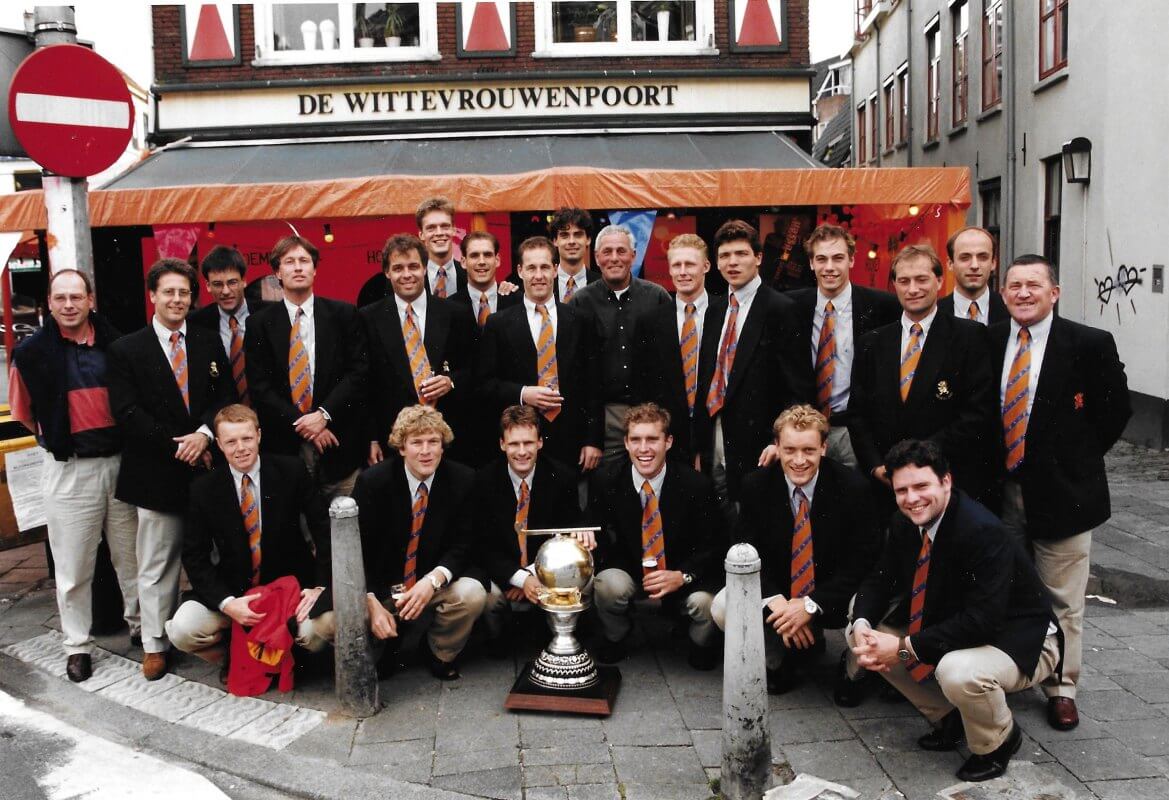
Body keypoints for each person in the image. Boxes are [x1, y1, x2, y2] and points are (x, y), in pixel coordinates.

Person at [848, 439, 1060, 783]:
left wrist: (903, 647)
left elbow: (984, 621)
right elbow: (879, 579)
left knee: (958, 671)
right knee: (866, 636)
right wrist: (861, 623)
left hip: (1023, 640)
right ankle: (952, 717)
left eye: (921, 486)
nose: (912, 498)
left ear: (946, 481)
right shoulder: (905, 522)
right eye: (902, 490)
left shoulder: (981, 531)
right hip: (960, 624)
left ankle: (998, 740)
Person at [991, 254, 1131, 731]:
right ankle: (1012, 672)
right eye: (1014, 285)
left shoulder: (1088, 344)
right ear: (1003, 293)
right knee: (1005, 585)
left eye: (1034, 284)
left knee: (1063, 597)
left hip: (1064, 492)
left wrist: (1077, 460)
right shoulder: (990, 340)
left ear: (1055, 292)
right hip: (1001, 490)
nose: (1024, 293)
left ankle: (1061, 687)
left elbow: (1114, 412)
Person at [8, 269, 140, 682]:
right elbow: (24, 414)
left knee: (132, 557)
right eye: (61, 297)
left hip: (119, 464)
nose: (69, 304)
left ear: (90, 300)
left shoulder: (117, 345)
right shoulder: (30, 354)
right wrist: (61, 437)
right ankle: (77, 646)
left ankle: (142, 629)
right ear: (50, 302)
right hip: (69, 471)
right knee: (72, 568)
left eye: (76, 297)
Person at [107, 258, 234, 679]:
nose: (177, 299)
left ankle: (218, 633)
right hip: (156, 472)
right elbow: (127, 411)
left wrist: (204, 434)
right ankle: (154, 644)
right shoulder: (127, 349)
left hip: (207, 468)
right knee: (157, 562)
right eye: (169, 292)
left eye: (183, 293)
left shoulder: (207, 340)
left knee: (214, 556)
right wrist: (178, 445)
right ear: (153, 296)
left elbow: (224, 397)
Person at [713, 405, 879, 699]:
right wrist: (779, 604)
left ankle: (853, 673)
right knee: (725, 603)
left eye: (809, 450)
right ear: (776, 446)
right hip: (783, 593)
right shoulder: (756, 486)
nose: (799, 460)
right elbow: (743, 551)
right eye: (789, 450)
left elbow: (862, 562)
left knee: (866, 602)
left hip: (831, 595)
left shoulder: (854, 488)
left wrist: (811, 605)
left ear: (824, 448)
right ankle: (778, 659)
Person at [166, 404, 334, 663]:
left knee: (313, 635)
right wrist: (227, 603)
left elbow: (323, 529)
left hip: (289, 590)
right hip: (236, 594)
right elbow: (194, 556)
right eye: (231, 441)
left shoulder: (291, 470)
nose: (241, 448)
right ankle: (240, 659)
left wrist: (320, 587)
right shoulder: (204, 488)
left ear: (259, 435)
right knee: (183, 629)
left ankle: (285, 658)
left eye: (246, 438)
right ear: (219, 445)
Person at [849, 243, 997, 504]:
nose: (913, 289)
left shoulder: (969, 336)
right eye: (904, 281)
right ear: (894, 284)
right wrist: (875, 466)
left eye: (921, 279)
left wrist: (919, 461)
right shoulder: (872, 342)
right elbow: (858, 414)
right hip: (886, 483)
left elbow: (977, 413)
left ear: (940, 280)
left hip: (943, 479)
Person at [352, 405, 486, 680]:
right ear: (401, 447)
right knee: (324, 629)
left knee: (473, 593)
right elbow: (356, 551)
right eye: (416, 442)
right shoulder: (373, 483)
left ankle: (439, 652)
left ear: (442, 446)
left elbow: (464, 545)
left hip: (429, 584)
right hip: (384, 587)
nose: (426, 451)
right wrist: (370, 601)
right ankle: (381, 646)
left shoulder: (463, 479)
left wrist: (432, 580)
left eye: (433, 442)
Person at [591, 403, 722, 670]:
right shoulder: (607, 480)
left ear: (668, 442)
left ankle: (698, 641)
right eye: (636, 440)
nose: (644, 449)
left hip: (680, 574)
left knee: (706, 604)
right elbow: (595, 531)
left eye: (652, 439)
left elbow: (715, 545)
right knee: (607, 585)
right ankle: (618, 633)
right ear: (626, 443)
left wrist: (682, 576)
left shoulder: (696, 484)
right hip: (631, 570)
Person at [694, 220, 811, 514]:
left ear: (758, 258)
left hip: (760, 445)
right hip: (715, 438)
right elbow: (709, 378)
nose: (732, 262)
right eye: (725, 255)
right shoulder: (715, 310)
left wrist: (779, 440)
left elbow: (797, 386)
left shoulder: (780, 309)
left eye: (741, 254)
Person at [245, 235, 369, 499]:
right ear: (277, 272)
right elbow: (259, 387)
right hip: (286, 449)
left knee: (345, 527)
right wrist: (305, 425)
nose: (298, 267)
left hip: (339, 444)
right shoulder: (259, 323)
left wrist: (323, 415)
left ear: (315, 269)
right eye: (289, 262)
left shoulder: (344, 314)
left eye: (304, 261)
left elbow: (358, 373)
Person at [476, 236, 603, 476]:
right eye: (531, 268)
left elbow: (593, 385)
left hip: (571, 442)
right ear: (520, 271)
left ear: (555, 270)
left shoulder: (580, 320)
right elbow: (485, 384)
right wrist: (523, 394)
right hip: (520, 442)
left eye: (545, 267)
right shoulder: (498, 323)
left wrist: (593, 440)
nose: (538, 275)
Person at [474, 405, 589, 653]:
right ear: (502, 444)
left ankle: (555, 634)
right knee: (489, 598)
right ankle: (498, 637)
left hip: (545, 570)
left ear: (540, 443)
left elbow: (566, 536)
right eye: (514, 444)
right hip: (502, 572)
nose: (522, 452)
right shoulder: (484, 480)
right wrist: (518, 578)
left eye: (528, 443)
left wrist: (531, 575)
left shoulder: (562, 477)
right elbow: (483, 546)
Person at [787, 224, 901, 467]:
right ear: (811, 263)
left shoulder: (883, 306)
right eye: (821, 259)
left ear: (851, 260)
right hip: (807, 430)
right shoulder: (791, 307)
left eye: (838, 258)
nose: (829, 267)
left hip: (857, 431)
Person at [361, 233, 474, 466]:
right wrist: (371, 438)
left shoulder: (456, 313)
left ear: (424, 268)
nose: (406, 275)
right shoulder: (367, 318)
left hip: (449, 437)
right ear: (387, 272)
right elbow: (364, 382)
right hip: (393, 441)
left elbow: (475, 368)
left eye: (413, 266)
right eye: (398, 268)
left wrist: (450, 381)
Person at [569, 224, 671, 465]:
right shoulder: (580, 302)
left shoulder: (658, 297)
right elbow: (576, 371)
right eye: (607, 252)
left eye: (621, 251)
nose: (614, 258)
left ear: (633, 256)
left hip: (650, 413)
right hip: (604, 416)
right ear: (595, 257)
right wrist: (590, 436)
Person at [633, 233, 721, 464]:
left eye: (690, 264)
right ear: (669, 269)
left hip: (716, 430)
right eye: (676, 265)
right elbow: (643, 383)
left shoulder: (725, 314)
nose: (683, 272)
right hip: (669, 433)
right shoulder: (650, 321)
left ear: (706, 266)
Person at [188, 245, 269, 406]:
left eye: (232, 282)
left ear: (244, 281)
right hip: (222, 420)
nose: (225, 291)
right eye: (217, 284)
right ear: (208, 285)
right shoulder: (195, 323)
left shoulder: (269, 315)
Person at [448, 230, 521, 328]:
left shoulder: (518, 301)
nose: (481, 261)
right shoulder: (449, 306)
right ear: (463, 262)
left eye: (487, 255)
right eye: (474, 255)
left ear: (497, 260)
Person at [937, 227, 1008, 325]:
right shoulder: (933, 314)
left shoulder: (1011, 312)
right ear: (950, 264)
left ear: (993, 263)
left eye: (983, 257)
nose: (974, 265)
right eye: (965, 258)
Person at [416, 196, 467, 299]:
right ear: (421, 234)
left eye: (445, 226)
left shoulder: (470, 274)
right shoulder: (410, 277)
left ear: (453, 230)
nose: (439, 233)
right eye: (431, 228)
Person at [550, 207, 601, 302]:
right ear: (555, 241)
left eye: (578, 235)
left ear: (588, 239)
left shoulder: (603, 286)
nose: (571, 241)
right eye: (564, 235)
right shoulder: (542, 283)